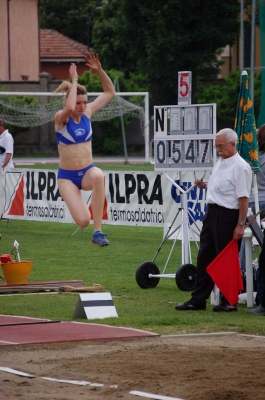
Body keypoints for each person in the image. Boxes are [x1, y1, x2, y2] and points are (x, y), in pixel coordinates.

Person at [175, 128, 252, 312]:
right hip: (212, 212)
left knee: (224, 258)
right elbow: (223, 188)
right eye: (216, 146)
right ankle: (198, 299)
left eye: (221, 146)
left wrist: (240, 225)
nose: (218, 149)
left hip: (228, 215)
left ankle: (229, 300)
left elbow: (243, 199)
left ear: (233, 144)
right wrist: (205, 186)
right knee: (205, 256)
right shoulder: (220, 162)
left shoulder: (241, 167)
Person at [54, 52, 115, 246]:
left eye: (84, 102)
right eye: (79, 102)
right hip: (67, 177)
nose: (82, 106)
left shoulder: (88, 112)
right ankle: (88, 223)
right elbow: (70, 108)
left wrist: (100, 71)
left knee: (99, 176)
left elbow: (109, 92)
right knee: (82, 221)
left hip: (87, 171)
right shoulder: (60, 118)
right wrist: (74, 79)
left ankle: (98, 232)